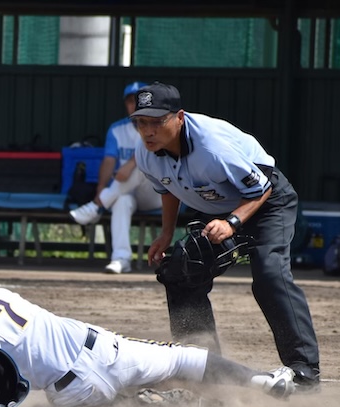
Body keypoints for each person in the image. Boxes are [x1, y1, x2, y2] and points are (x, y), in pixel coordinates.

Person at [0, 262, 296, 407]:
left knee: (116, 406)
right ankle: (262, 381)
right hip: (106, 349)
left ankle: (155, 403)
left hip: (74, 393)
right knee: (183, 358)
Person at [132, 82, 321, 391]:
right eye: (141, 122)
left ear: (179, 117)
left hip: (266, 202)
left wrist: (232, 222)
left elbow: (261, 187)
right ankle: (204, 374)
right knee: (179, 272)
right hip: (216, 207)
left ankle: (305, 373)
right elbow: (168, 188)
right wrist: (166, 233)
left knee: (270, 274)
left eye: (156, 121)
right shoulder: (146, 153)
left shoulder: (211, 147)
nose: (147, 131)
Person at [69, 81, 162, 275]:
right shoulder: (117, 129)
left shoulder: (159, 124)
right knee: (121, 200)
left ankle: (97, 206)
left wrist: (130, 164)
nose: (134, 105)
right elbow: (109, 161)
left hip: (157, 193)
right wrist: (101, 188)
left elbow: (151, 153)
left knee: (141, 168)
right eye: (130, 101)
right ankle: (121, 259)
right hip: (126, 190)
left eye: (138, 100)